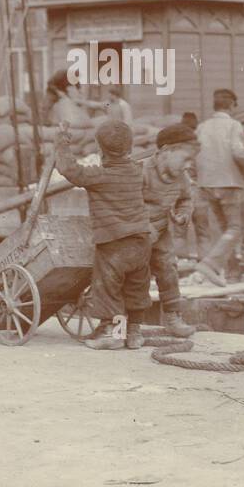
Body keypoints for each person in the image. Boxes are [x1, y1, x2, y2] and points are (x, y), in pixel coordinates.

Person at [55, 119, 152, 350]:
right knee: (136, 285)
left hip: (113, 242)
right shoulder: (137, 172)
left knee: (110, 287)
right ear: (130, 149)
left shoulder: (99, 175)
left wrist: (61, 141)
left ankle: (112, 333)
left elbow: (69, 169)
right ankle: (134, 333)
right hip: (141, 239)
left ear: (100, 150)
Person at [194, 88, 244, 285]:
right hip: (229, 183)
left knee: (225, 230)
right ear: (232, 106)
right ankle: (210, 264)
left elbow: (195, 153)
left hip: (207, 184)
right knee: (235, 228)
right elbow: (238, 152)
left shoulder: (202, 127)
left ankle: (233, 274)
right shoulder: (234, 125)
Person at [140, 124, 200, 338]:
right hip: (137, 234)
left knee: (168, 270)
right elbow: (127, 203)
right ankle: (129, 322)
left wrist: (183, 215)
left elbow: (185, 199)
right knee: (136, 277)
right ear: (165, 152)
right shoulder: (142, 171)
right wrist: (141, 226)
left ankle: (173, 317)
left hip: (161, 231)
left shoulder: (181, 177)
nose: (188, 165)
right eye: (185, 159)